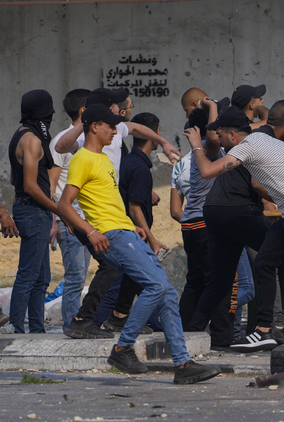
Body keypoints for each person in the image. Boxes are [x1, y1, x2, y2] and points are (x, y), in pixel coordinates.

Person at [57, 103, 220, 384]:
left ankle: (182, 365)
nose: (114, 130)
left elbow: (107, 203)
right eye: (109, 125)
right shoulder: (82, 159)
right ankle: (122, 347)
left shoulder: (106, 160)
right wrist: (90, 231)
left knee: (167, 292)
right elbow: (64, 204)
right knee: (155, 286)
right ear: (94, 126)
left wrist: (133, 225)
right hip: (112, 236)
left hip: (126, 232)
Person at [186, 100, 284, 353]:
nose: (218, 142)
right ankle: (264, 330)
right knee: (265, 262)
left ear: (231, 134)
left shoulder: (247, 146)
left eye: (220, 135)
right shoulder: (265, 139)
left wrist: (197, 146)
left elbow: (206, 171)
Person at [56, 88, 180, 339]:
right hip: (88, 215)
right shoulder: (83, 146)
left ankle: (97, 320)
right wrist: (87, 229)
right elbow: (60, 147)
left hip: (112, 215)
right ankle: (104, 327)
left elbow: (135, 129)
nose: (118, 117)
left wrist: (164, 141)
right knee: (115, 267)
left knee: (114, 265)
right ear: (95, 119)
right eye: (111, 108)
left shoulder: (112, 137)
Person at [95, 112, 168, 332]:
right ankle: (96, 324)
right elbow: (135, 209)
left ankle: (118, 322)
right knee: (124, 285)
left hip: (130, 234)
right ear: (153, 135)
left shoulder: (129, 162)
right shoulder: (139, 168)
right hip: (133, 235)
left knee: (133, 284)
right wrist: (152, 239)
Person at [177, 102, 239, 347]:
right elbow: (213, 136)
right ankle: (222, 340)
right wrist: (213, 106)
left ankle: (184, 334)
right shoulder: (206, 149)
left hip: (191, 225)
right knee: (224, 282)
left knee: (196, 283)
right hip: (205, 225)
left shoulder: (197, 153)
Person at [8, 90, 58, 334]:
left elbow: (13, 180)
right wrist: (57, 208)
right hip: (34, 212)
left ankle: (37, 331)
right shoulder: (33, 140)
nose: (52, 115)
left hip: (31, 211)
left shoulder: (19, 135)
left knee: (41, 279)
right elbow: (30, 185)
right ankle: (16, 329)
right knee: (29, 276)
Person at [49, 89, 93, 332]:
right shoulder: (61, 142)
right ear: (85, 111)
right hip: (70, 221)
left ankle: (78, 322)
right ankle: (70, 325)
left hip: (87, 220)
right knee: (75, 277)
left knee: (82, 276)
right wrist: (55, 219)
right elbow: (52, 186)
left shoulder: (88, 140)